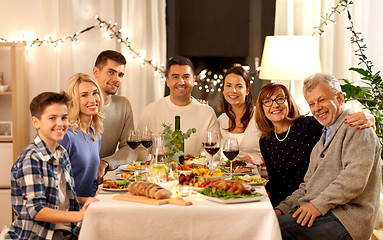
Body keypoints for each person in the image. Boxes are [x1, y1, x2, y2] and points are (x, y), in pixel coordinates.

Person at [274, 73, 381, 240]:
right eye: (312, 103)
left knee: (274, 231)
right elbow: (306, 186)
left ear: (339, 98)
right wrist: (282, 209)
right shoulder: (322, 139)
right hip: (326, 212)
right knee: (269, 223)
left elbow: (353, 180)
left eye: (322, 100)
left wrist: (317, 205)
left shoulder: (357, 127)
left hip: (347, 219)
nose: (317, 108)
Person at [255, 83, 374, 207]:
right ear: (262, 108)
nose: (275, 105)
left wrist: (370, 117)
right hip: (282, 203)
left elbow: (340, 120)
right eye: (267, 101)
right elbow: (274, 180)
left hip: (310, 199)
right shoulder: (265, 140)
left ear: (288, 102)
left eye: (280, 99)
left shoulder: (310, 126)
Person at [5, 92, 97, 240]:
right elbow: (37, 210)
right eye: (52, 118)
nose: (60, 123)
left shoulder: (62, 153)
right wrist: (79, 215)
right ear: (36, 122)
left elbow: (64, 196)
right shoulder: (31, 159)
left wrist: (90, 200)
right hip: (40, 235)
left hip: (66, 230)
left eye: (64, 117)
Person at [137, 56, 219, 158]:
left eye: (186, 77)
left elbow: (214, 155)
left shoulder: (207, 113)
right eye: (175, 77)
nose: (181, 82)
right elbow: (140, 150)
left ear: (193, 80)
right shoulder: (151, 110)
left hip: (196, 172)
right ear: (167, 81)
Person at [59, 73, 104, 198]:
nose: (92, 99)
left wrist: (95, 198)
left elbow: (92, 180)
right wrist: (87, 202)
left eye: (95, 93)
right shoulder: (66, 136)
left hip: (88, 206)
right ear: (73, 101)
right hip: (69, 210)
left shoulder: (95, 134)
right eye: (84, 95)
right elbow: (58, 190)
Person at [93, 50, 135, 183]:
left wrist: (105, 162)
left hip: (104, 178)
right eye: (111, 72)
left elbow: (130, 148)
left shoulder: (123, 104)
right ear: (96, 72)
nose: (117, 79)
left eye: (120, 74)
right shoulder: (77, 104)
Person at [218, 66, 263, 166]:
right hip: (232, 177)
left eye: (239, 86)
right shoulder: (222, 120)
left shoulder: (260, 116)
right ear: (223, 90)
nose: (233, 91)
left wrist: (261, 159)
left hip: (259, 176)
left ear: (247, 90)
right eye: (228, 86)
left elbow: (279, 150)